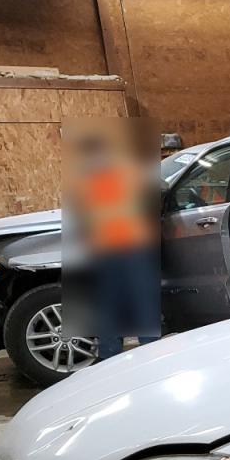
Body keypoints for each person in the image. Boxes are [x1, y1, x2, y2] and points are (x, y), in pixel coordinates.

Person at [63, 119, 160, 361]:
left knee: (109, 306)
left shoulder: (81, 179)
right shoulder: (128, 170)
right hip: (132, 245)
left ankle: (109, 360)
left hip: (105, 249)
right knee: (142, 302)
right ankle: (152, 355)